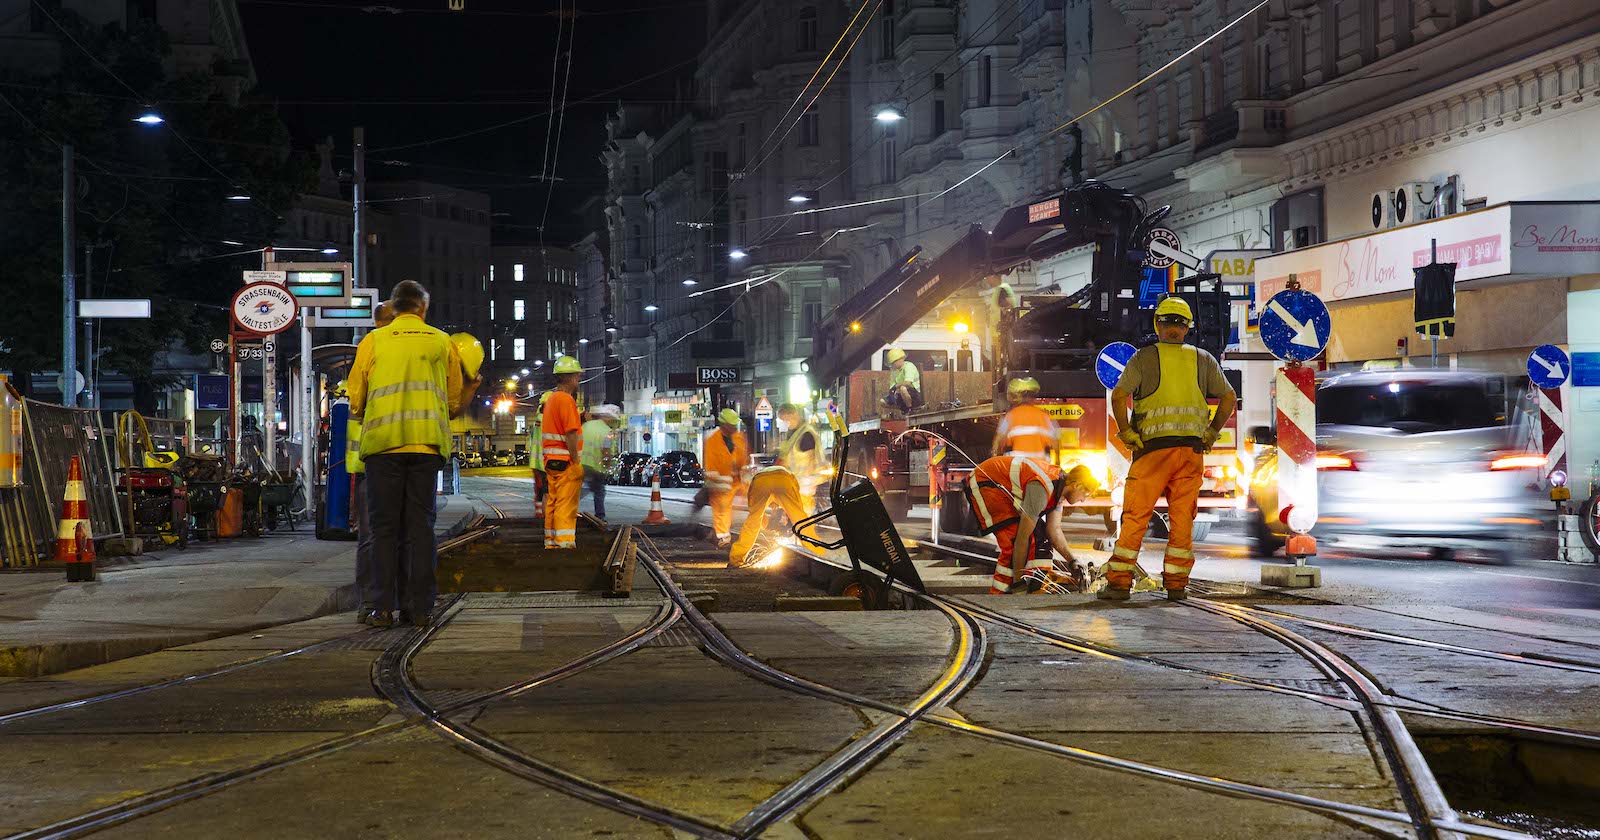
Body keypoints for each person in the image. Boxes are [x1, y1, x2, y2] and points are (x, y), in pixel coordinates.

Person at [347, 282, 478, 627]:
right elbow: (452, 402)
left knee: (383, 529)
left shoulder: (373, 341)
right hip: (425, 446)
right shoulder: (441, 341)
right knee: (420, 528)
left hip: (383, 447)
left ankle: (381, 608)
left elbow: (356, 402)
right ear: (423, 307)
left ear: (394, 307)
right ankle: (419, 608)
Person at [1101, 296, 1236, 602]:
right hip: (1190, 453)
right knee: (1182, 519)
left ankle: (1119, 584)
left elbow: (1119, 396)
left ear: (1157, 324)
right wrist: (1212, 432)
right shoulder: (1204, 359)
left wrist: (1126, 432)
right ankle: (1176, 585)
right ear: (1188, 327)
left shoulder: (1143, 358)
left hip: (1153, 452)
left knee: (1136, 516)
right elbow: (1228, 397)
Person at [964, 457, 1099, 594]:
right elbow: (1022, 538)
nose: (1083, 500)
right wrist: (1018, 582)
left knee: (1042, 540)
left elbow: (1054, 531)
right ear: (1077, 486)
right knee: (1014, 542)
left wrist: (1072, 562)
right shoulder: (1041, 488)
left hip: (998, 484)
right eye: (1085, 494)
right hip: (985, 483)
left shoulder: (1059, 489)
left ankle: (1037, 585)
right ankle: (1001, 595)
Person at [727, 404, 821, 567]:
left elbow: (758, 517)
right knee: (801, 520)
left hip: (768, 481)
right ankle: (815, 552)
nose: (784, 423)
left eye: (784, 419)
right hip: (787, 480)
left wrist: (772, 522)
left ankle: (736, 559)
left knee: (752, 522)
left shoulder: (803, 435)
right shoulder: (799, 434)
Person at [348, 301, 394, 624]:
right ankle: (388, 601)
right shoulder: (377, 349)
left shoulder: (367, 352)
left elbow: (356, 403)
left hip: (366, 463)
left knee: (371, 537)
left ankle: (371, 602)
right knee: (389, 535)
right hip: (382, 460)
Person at [540, 356, 585, 549]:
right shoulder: (566, 400)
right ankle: (564, 545)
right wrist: (576, 462)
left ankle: (551, 542)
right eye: (577, 375)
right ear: (570, 377)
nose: (578, 379)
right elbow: (571, 432)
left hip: (551, 461)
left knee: (553, 502)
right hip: (566, 461)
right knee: (566, 506)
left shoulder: (551, 399)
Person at [698, 408, 749, 548]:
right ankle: (722, 538)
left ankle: (766, 528)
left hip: (736, 482)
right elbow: (711, 468)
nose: (735, 427)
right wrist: (720, 482)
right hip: (720, 485)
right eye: (732, 425)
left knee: (754, 506)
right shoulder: (712, 440)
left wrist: (744, 477)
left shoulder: (739, 438)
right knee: (721, 510)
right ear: (724, 425)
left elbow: (743, 459)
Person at [992, 377, 1059, 461]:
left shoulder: (1009, 416)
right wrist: (1057, 463)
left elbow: (998, 443)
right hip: (1039, 464)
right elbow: (1055, 444)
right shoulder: (1045, 416)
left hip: (1016, 464)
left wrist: (995, 458)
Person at [581, 404, 620, 521]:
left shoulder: (586, 426)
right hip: (595, 466)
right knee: (599, 491)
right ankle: (600, 517)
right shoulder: (606, 431)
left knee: (577, 489)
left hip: (579, 463)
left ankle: (566, 511)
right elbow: (606, 451)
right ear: (607, 417)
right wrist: (608, 466)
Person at [880, 347, 923, 416]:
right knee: (882, 401)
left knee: (903, 388)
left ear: (899, 360)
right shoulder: (894, 371)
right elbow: (892, 387)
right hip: (901, 394)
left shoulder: (909, 366)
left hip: (914, 396)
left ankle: (909, 410)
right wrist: (892, 394)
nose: (892, 365)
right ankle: (903, 408)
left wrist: (896, 386)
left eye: (893, 363)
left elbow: (908, 383)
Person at [527, 390, 550, 515]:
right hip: (544, 461)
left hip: (537, 461)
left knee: (540, 490)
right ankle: (546, 518)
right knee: (546, 492)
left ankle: (539, 513)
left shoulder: (538, 419)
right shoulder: (546, 420)